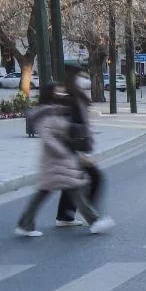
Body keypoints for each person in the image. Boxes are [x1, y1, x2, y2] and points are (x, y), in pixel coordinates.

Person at [14, 84, 114, 237]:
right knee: (67, 189)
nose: (61, 94)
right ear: (49, 94)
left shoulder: (56, 111)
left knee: (59, 191)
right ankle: (94, 221)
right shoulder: (45, 113)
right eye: (57, 92)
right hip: (54, 160)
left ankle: (25, 224)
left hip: (60, 160)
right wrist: (64, 152)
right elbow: (48, 138)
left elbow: (65, 131)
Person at [55, 66, 102, 227]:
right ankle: (89, 214)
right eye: (80, 77)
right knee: (95, 178)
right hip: (72, 148)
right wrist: (82, 153)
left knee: (71, 183)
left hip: (74, 147)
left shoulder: (76, 96)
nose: (84, 81)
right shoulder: (70, 99)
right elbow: (73, 128)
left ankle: (65, 217)